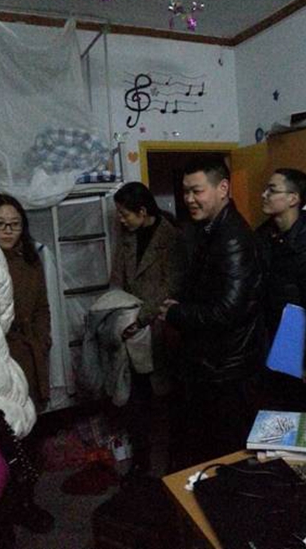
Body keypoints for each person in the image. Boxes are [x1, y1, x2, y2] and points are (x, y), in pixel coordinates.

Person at [159, 156, 263, 466]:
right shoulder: (208, 229)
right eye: (186, 191)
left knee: (227, 453)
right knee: (208, 449)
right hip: (211, 363)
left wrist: (177, 314)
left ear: (223, 188)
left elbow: (228, 310)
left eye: (197, 191)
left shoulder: (232, 238)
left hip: (226, 368)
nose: (189, 199)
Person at [110, 182, 186, 480]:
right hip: (130, 328)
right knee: (136, 398)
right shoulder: (127, 238)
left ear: (142, 211)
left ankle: (174, 461)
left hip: (160, 327)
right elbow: (117, 280)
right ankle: (140, 460)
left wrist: (140, 318)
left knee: (167, 397)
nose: (121, 219)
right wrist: (118, 313)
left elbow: (172, 286)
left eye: (124, 213)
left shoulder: (171, 238)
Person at [0, 193, 54, 534]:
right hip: (2, 359)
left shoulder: (31, 259)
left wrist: (43, 341)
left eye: (14, 225)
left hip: (30, 355)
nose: (8, 231)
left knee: (31, 435)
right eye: (0, 224)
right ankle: (9, 510)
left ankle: (27, 503)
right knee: (6, 442)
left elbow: (43, 307)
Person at [255, 168, 306, 413]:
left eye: (272, 190)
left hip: (295, 340)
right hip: (271, 336)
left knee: (299, 409)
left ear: (293, 198)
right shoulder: (265, 235)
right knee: (274, 409)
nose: (264, 195)